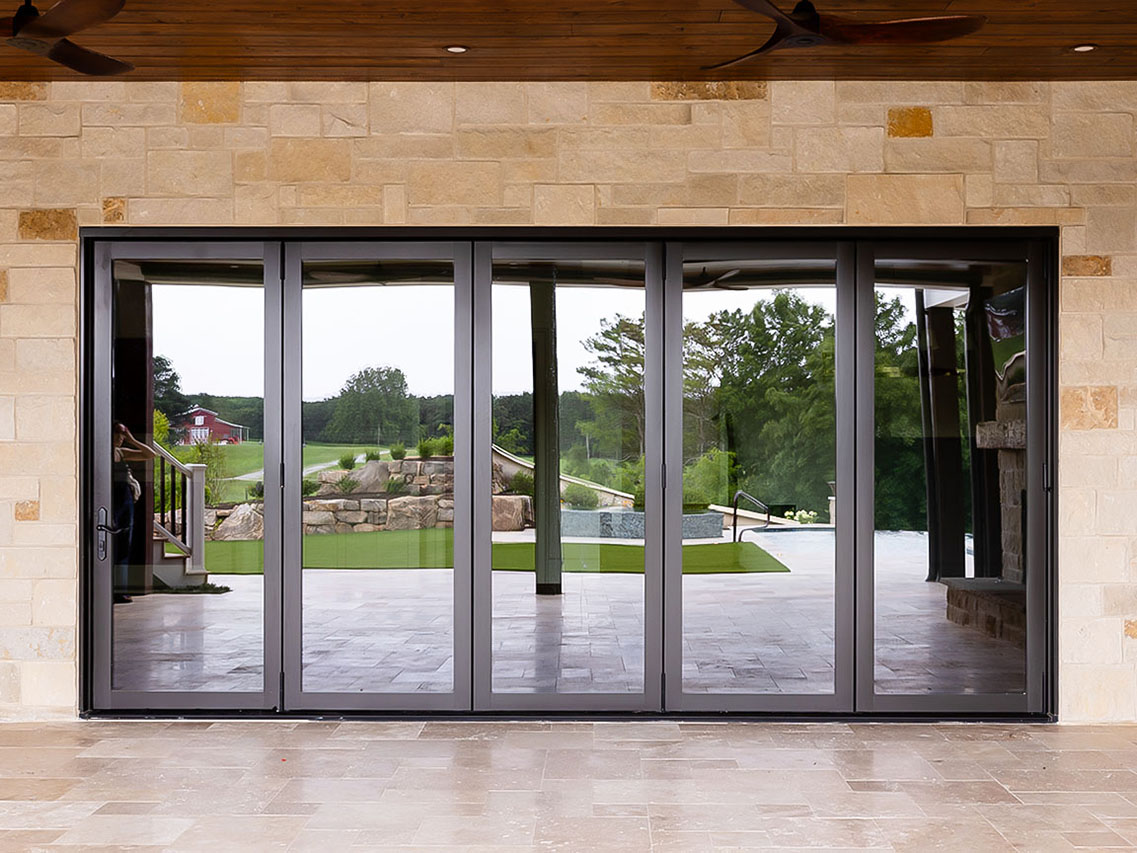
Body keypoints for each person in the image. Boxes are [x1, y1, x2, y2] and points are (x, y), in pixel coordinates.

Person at [112, 422, 155, 604]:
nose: (121, 438)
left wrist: (132, 440)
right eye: (119, 434)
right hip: (111, 499)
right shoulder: (100, 450)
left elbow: (149, 454)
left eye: (123, 435)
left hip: (125, 501)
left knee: (123, 547)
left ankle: (120, 590)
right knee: (109, 546)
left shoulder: (121, 452)